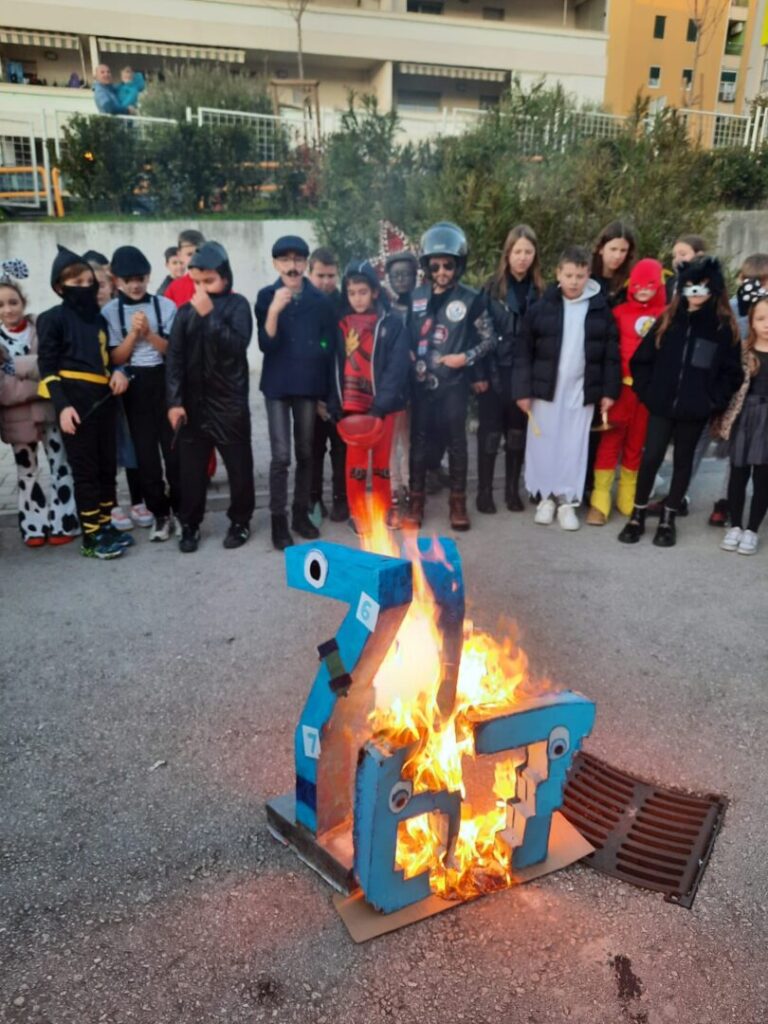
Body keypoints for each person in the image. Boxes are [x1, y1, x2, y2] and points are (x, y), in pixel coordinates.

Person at [619, 255, 743, 547]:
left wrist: (711, 401)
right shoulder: (667, 320)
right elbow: (641, 360)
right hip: (661, 406)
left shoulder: (723, 328)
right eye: (691, 285)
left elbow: (732, 373)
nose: (696, 292)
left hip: (694, 410)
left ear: (714, 287)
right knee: (651, 457)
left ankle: (668, 518)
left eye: (703, 285)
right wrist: (649, 393)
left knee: (683, 462)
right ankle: (637, 515)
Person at [512, 245, 620, 530]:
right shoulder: (541, 308)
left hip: (580, 390)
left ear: (588, 275)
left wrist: (609, 392)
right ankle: (545, 497)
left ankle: (567, 500)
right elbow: (523, 352)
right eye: (569, 275)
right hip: (545, 389)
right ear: (558, 274)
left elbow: (611, 353)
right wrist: (522, 390)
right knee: (544, 442)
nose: (574, 282)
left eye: (580, 276)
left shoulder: (599, 309)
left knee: (574, 444)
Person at [36, 245, 131, 559]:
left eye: (89, 281)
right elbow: (47, 367)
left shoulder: (99, 320)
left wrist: (119, 372)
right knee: (86, 471)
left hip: (104, 401)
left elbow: (109, 359)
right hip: (75, 404)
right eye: (76, 283)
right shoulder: (51, 319)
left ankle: (105, 525)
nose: (85, 287)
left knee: (106, 469)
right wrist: (63, 407)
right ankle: (91, 536)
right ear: (59, 287)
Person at [405, 221, 497, 532]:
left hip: (454, 385)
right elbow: (406, 336)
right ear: (426, 266)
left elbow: (489, 340)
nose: (442, 271)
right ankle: (415, 501)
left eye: (448, 265)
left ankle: (457, 503)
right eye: (435, 266)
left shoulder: (471, 298)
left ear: (459, 265)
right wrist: (407, 355)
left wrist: (465, 358)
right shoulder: (415, 297)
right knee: (418, 444)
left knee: (458, 443)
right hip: (421, 385)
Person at [166, 242, 255, 553]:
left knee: (239, 467)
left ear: (225, 277)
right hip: (193, 405)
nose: (202, 288)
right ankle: (190, 523)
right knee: (191, 472)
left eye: (209, 281)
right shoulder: (184, 313)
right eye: (197, 282)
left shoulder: (238, 305)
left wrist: (211, 316)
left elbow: (238, 346)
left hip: (229, 403)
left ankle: (240, 521)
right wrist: (174, 402)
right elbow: (174, 359)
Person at [255, 234, 337, 551]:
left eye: (298, 260)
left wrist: (324, 394)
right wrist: (274, 311)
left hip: (307, 385)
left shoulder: (320, 301)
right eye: (286, 260)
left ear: (305, 264)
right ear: (276, 264)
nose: (292, 266)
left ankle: (300, 514)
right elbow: (266, 344)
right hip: (277, 385)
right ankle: (279, 520)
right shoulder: (266, 296)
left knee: (305, 452)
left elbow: (328, 346)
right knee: (281, 456)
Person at [0, 260, 79, 547]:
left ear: (23, 302)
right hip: (16, 419)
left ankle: (64, 521)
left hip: (50, 412)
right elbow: (4, 390)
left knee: (61, 466)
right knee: (27, 472)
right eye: (1, 305)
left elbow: (52, 365)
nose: (8, 309)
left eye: (13, 302)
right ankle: (33, 526)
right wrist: (37, 378)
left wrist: (15, 368)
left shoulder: (41, 327)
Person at [103, 245, 179, 542]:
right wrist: (134, 335)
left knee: (174, 452)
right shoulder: (110, 311)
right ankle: (160, 513)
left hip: (164, 381)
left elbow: (172, 351)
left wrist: (149, 333)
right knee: (146, 457)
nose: (135, 285)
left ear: (148, 277)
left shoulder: (165, 305)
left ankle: (182, 511)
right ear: (116, 280)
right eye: (128, 280)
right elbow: (115, 357)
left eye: (140, 278)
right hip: (134, 386)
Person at [329, 260, 410, 536]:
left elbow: (396, 368)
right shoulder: (340, 326)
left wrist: (381, 405)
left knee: (382, 462)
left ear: (375, 292)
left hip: (384, 406)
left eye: (363, 292)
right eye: (352, 293)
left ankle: (384, 508)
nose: (358, 298)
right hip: (352, 406)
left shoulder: (392, 324)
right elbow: (334, 365)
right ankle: (358, 513)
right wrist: (335, 401)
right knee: (356, 464)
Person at [586, 259, 666, 525]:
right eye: (639, 284)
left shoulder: (667, 315)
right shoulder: (619, 313)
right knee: (610, 442)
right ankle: (600, 499)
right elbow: (609, 353)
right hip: (620, 390)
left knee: (635, 445)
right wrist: (607, 388)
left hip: (648, 393)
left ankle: (627, 495)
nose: (643, 290)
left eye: (650, 285)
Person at [476, 224, 543, 514]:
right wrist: (479, 374)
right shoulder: (491, 289)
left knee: (517, 434)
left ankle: (512, 490)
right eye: (518, 251)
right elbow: (478, 333)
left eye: (528, 251)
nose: (523, 257)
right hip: (494, 370)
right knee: (490, 434)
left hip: (523, 372)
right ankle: (484, 492)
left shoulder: (540, 292)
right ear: (508, 253)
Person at [716, 291, 768, 556]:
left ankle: (752, 530)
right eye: (761, 319)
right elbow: (730, 385)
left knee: (763, 476)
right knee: (738, 472)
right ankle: (735, 525)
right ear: (752, 322)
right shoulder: (743, 352)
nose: (767, 324)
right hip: (744, 416)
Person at [308, 247, 348, 522]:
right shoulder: (301, 304)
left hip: (343, 390)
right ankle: (313, 499)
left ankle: (341, 499)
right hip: (311, 390)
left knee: (341, 448)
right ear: (310, 273)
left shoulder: (346, 303)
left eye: (331, 276)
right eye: (320, 275)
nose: (326, 281)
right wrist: (313, 400)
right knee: (313, 449)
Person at [384, 250, 419, 527]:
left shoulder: (423, 305)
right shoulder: (384, 310)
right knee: (391, 441)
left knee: (411, 440)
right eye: (396, 275)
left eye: (407, 274)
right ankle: (395, 490)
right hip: (393, 383)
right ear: (388, 278)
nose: (402, 280)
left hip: (417, 383)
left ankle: (410, 487)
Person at [591, 221, 637, 306]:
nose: (617, 256)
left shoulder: (631, 281)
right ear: (601, 249)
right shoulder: (585, 276)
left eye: (623, 250)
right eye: (613, 249)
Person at [165, 230, 206, 308]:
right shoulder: (173, 289)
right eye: (189, 254)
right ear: (180, 255)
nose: (195, 258)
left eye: (198, 252)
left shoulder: (216, 283)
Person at [665, 234, 706, 302]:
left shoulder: (708, 283)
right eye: (674, 256)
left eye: (683, 254)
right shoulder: (670, 282)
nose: (677, 259)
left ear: (699, 255)